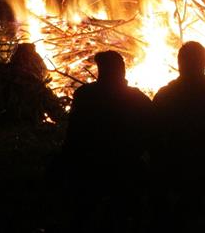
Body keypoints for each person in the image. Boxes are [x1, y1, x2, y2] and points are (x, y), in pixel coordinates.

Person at [62, 51, 152, 233]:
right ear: (123, 72)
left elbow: (73, 136)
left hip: (89, 167)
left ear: (101, 71)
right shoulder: (138, 99)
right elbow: (150, 136)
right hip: (126, 167)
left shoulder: (84, 95)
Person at [151, 41, 205, 229]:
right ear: (204, 64)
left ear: (180, 64)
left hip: (173, 167)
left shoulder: (165, 95)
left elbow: (153, 137)